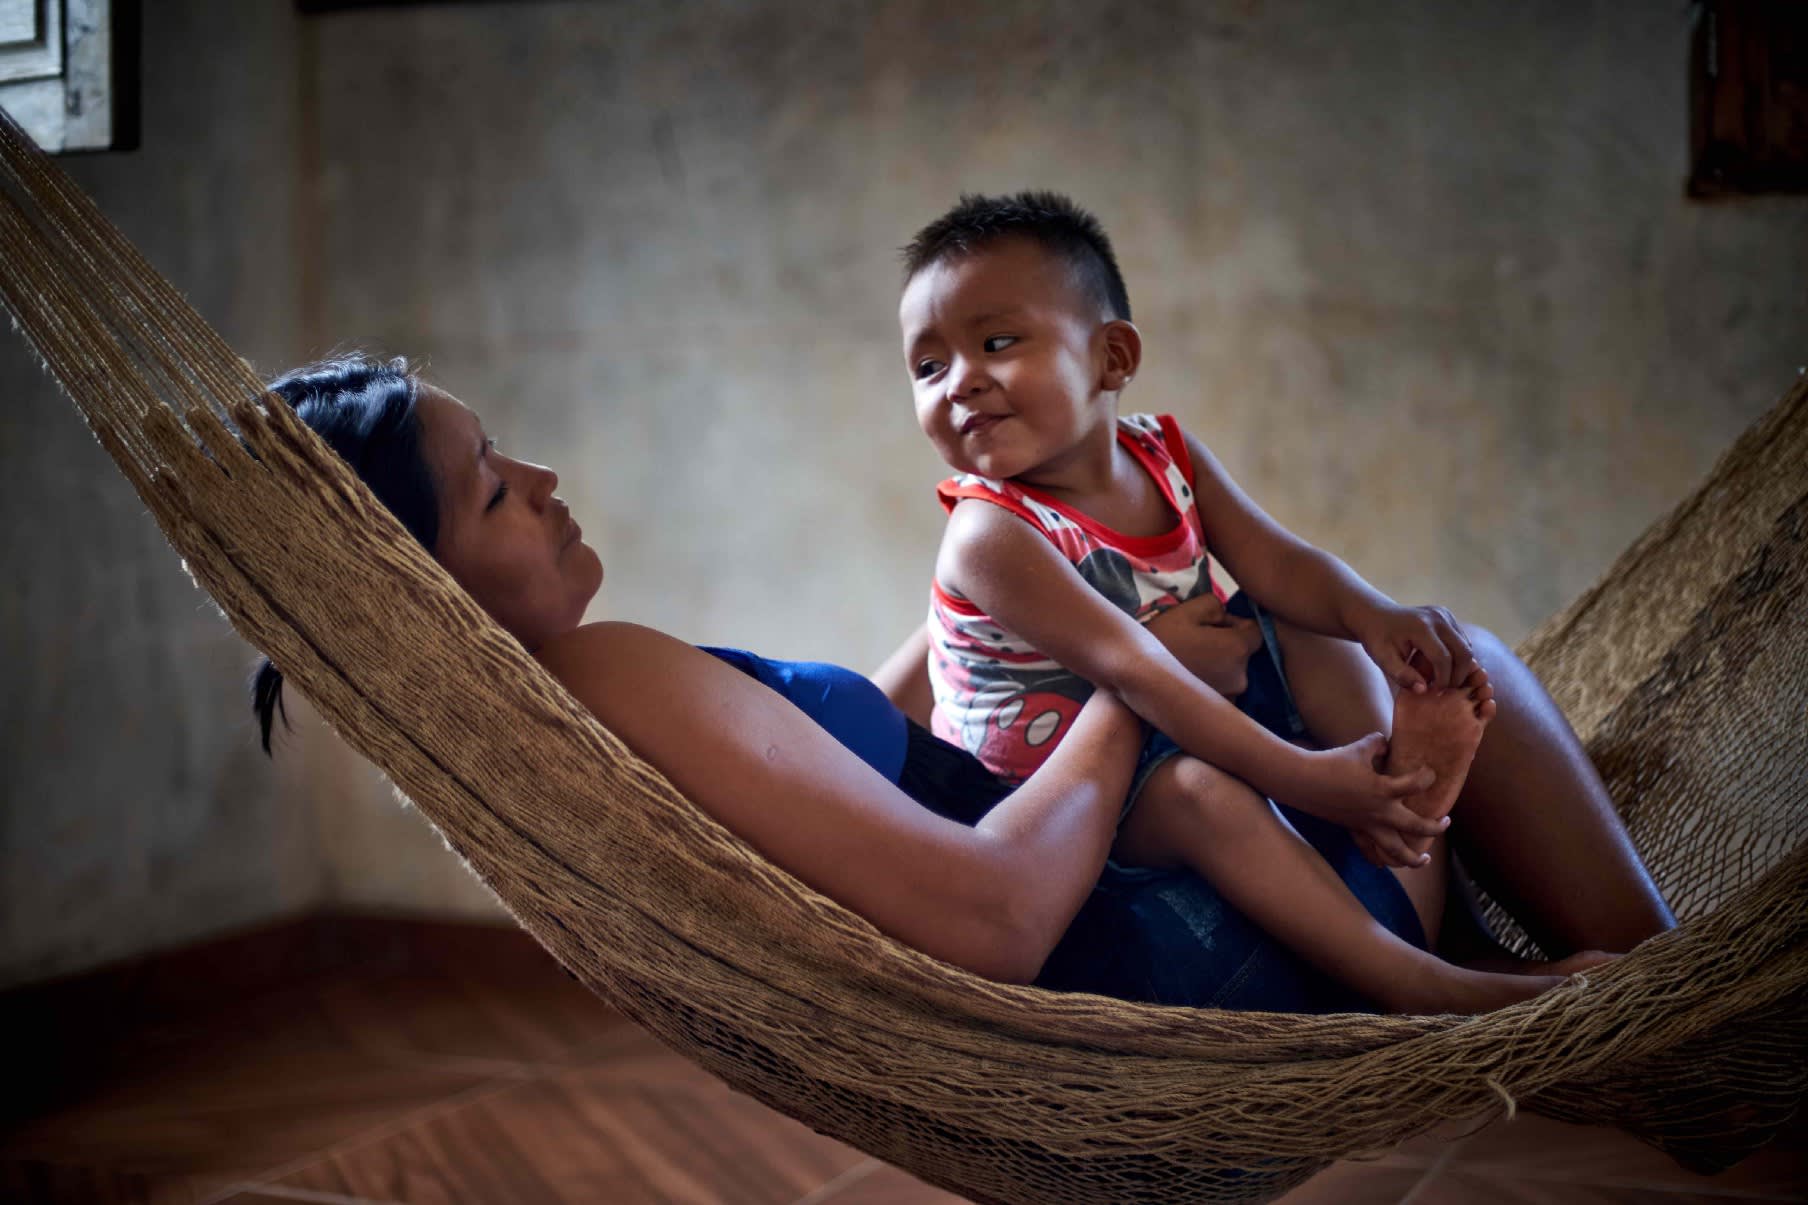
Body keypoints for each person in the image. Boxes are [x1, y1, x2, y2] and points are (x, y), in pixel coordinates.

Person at [250, 355, 1670, 1013]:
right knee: (1436, 653)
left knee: (1312, 622)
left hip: (1178, 901)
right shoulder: (606, 677)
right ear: (416, 588)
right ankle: (1662, 1013)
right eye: (497, 490)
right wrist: (1129, 679)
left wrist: (1000, 610)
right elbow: (991, 915)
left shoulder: (583, 717)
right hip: (1176, 954)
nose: (549, 484)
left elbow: (875, 762)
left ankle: (1539, 962)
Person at [898, 192, 1675, 1008]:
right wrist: (1309, 781)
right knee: (1198, 793)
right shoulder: (989, 533)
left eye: (996, 341)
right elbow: (1144, 675)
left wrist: (1377, 614)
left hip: (1184, 720)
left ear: (1112, 359)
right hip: (1070, 800)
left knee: (1315, 630)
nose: (961, 383)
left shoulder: (1164, 453)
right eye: (928, 365)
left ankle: (1398, 790)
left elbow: (1287, 565)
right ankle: (1423, 980)